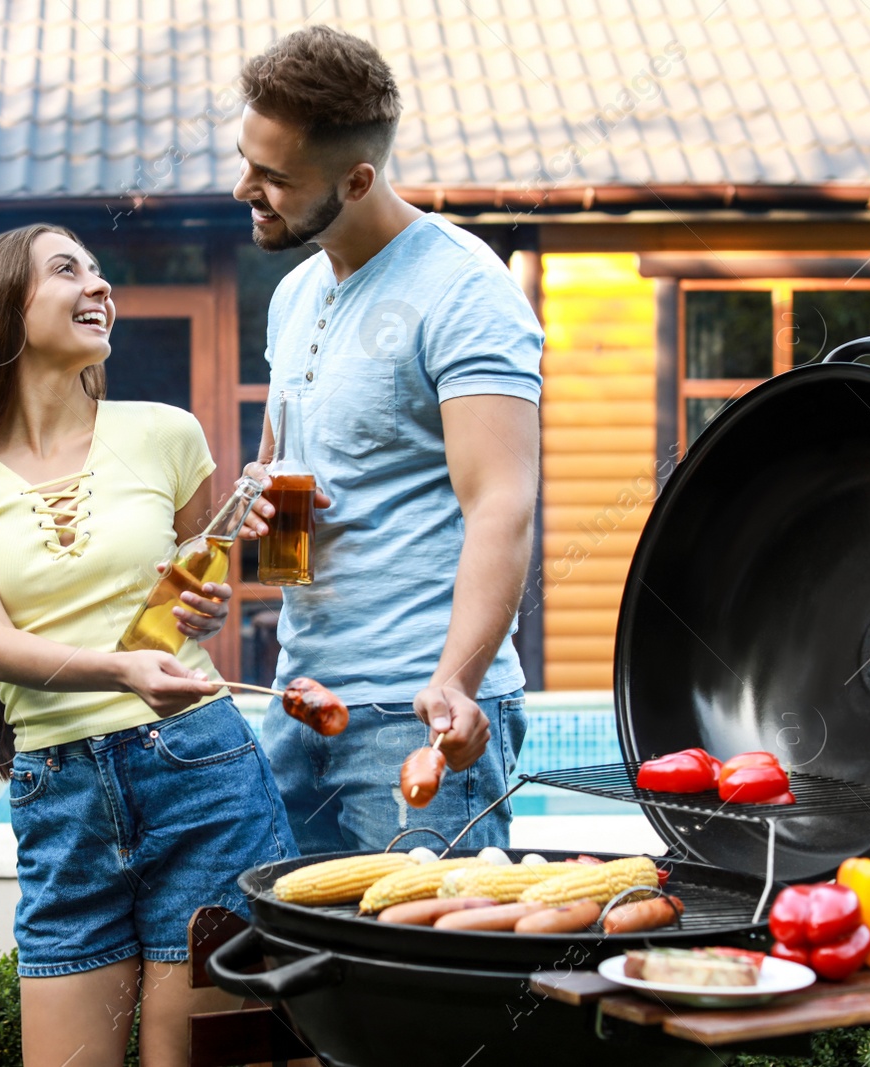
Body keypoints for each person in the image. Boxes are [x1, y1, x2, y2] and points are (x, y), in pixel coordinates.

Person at [0, 224, 296, 1067]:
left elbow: (184, 596)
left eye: (101, 271)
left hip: (200, 771)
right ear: (1, 314)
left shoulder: (165, 433)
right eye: (67, 269)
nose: (99, 285)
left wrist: (202, 604)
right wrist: (121, 669)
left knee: (194, 1058)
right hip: (61, 792)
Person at [233, 28, 545, 854]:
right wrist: (255, 495)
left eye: (273, 178)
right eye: (245, 161)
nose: (245, 189)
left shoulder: (466, 290)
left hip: (416, 712)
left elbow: (502, 504)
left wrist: (456, 682)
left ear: (358, 178)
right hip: (300, 699)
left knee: (422, 976)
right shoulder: (295, 293)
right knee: (289, 971)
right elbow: (277, 461)